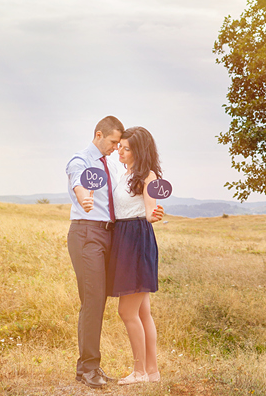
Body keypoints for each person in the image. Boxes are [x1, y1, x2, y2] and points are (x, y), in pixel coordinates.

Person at [65, 115, 124, 389]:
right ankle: (89, 369)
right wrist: (81, 195)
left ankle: (86, 368)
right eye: (113, 142)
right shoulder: (81, 160)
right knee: (93, 300)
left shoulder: (110, 165)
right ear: (99, 135)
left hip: (106, 235)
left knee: (96, 301)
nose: (115, 147)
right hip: (87, 233)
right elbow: (77, 179)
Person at [108, 126, 165, 384]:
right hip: (126, 238)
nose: (120, 150)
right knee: (142, 313)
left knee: (127, 312)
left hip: (135, 240)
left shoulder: (148, 177)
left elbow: (150, 211)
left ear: (138, 151)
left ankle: (140, 372)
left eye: (126, 148)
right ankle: (151, 372)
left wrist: (155, 215)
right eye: (119, 146)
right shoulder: (126, 173)